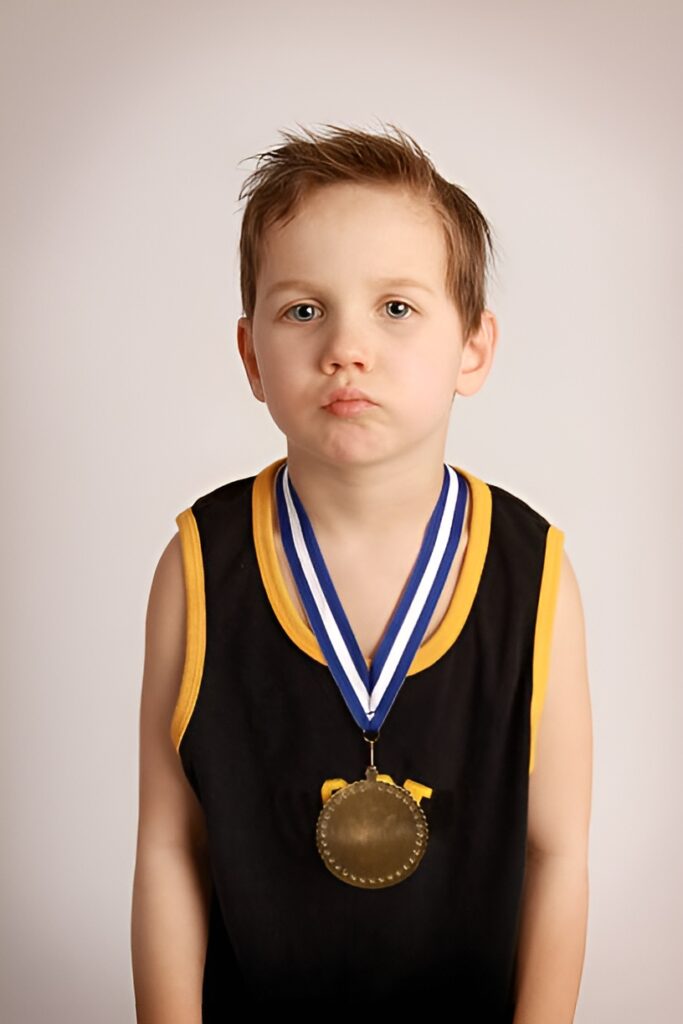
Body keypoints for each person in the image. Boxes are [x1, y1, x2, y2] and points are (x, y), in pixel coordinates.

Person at [131, 122, 592, 1020]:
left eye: (395, 308)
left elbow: (556, 856)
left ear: (473, 347)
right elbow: (167, 850)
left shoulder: (535, 576)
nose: (347, 346)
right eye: (303, 309)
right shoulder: (196, 564)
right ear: (249, 356)